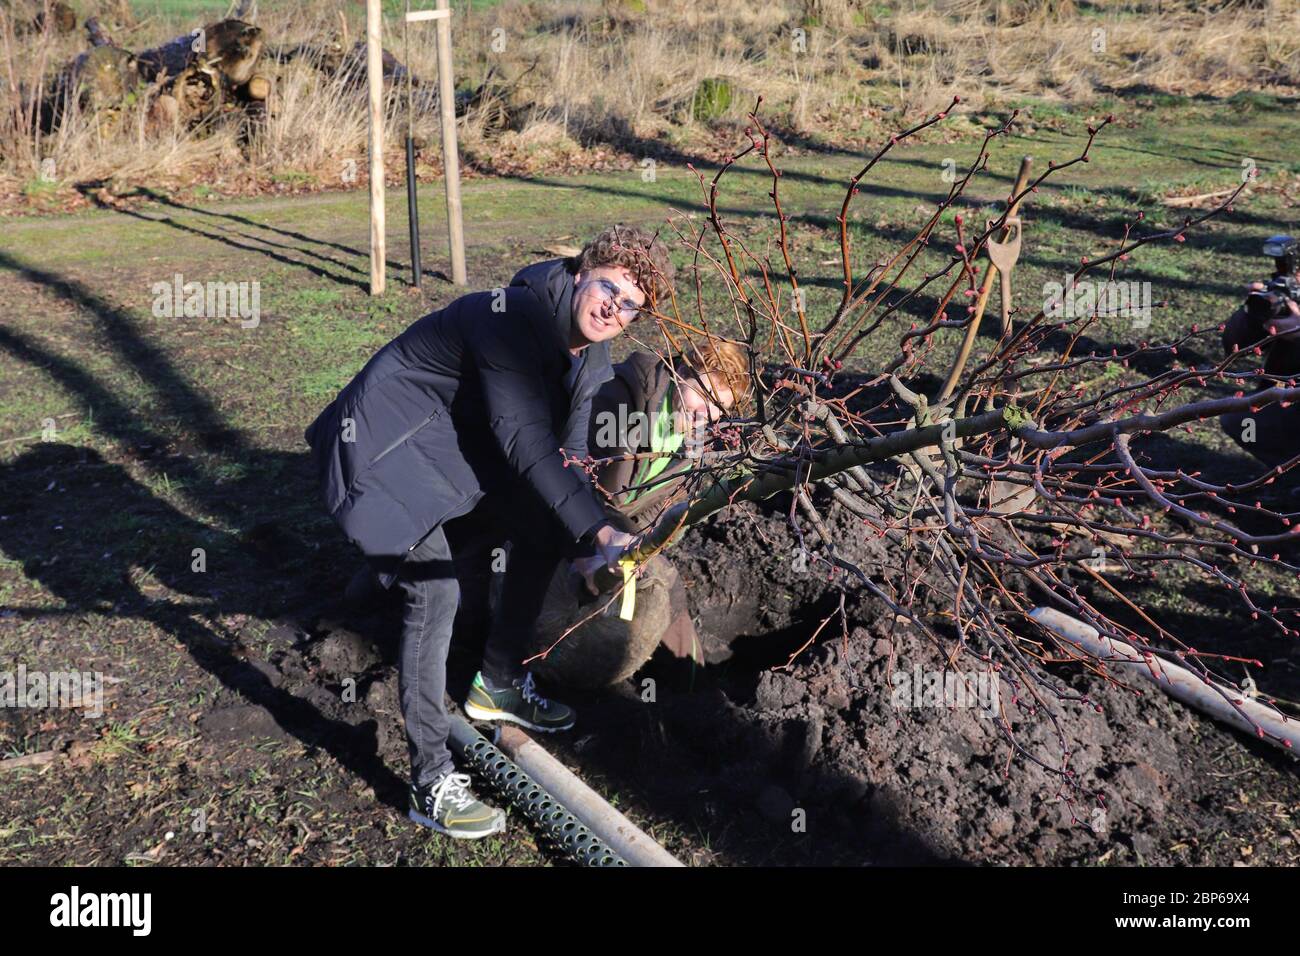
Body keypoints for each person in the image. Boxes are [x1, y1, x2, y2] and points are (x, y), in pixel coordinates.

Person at [304, 225, 674, 838]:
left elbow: (571, 453)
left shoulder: (593, 357)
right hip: (378, 452)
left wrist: (589, 538)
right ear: (581, 272)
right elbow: (526, 440)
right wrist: (600, 534)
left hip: (449, 458)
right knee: (435, 591)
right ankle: (431, 779)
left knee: (546, 525)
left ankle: (499, 682)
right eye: (608, 286)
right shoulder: (510, 318)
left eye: (630, 303)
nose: (613, 306)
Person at [585, 340, 751, 660]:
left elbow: (672, 497)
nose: (708, 413)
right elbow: (591, 487)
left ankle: (692, 682)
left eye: (720, 407)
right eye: (703, 395)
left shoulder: (694, 430)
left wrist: (645, 545)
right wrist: (619, 541)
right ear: (683, 371)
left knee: (667, 585)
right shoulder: (622, 398)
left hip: (623, 530)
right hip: (579, 518)